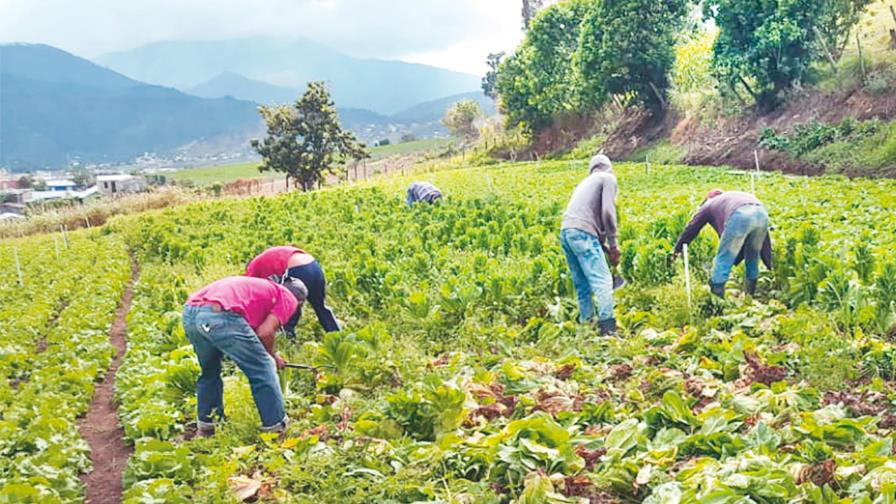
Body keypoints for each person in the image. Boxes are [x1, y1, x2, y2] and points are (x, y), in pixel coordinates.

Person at [182, 275, 307, 436]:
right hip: (220, 314)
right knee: (264, 367)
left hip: (191, 313)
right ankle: (275, 428)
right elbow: (265, 332)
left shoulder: (264, 290)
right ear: (299, 301)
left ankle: (207, 426)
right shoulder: (288, 297)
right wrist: (273, 357)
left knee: (209, 371)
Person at [560, 154, 620, 336]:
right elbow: (608, 212)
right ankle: (608, 330)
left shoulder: (585, 183)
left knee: (582, 284)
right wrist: (614, 244)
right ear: (608, 167)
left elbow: (587, 218)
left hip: (566, 231)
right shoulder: (608, 178)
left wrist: (605, 247)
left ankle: (587, 326)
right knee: (603, 281)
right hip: (583, 232)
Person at [671, 190, 772, 298]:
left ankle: (717, 299)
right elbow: (764, 240)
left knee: (723, 259)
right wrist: (769, 261)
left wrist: (677, 250)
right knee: (752, 256)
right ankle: (749, 296)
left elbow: (692, 228)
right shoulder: (729, 198)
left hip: (740, 215)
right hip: (762, 213)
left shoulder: (708, 204)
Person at [246, 246, 340, 333]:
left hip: (297, 268)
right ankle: (336, 334)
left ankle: (288, 338)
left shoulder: (252, 269)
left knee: (287, 307)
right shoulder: (267, 258)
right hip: (313, 265)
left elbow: (250, 295)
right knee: (320, 306)